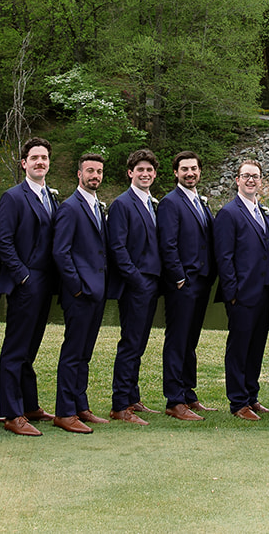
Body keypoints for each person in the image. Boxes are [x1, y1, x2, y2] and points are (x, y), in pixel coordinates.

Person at [0, 137, 59, 436]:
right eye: (34, 158)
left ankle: (30, 405)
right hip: (26, 282)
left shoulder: (51, 196)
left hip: (46, 283)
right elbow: (4, 242)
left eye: (44, 158)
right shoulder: (13, 197)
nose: (40, 162)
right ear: (24, 163)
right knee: (15, 349)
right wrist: (22, 276)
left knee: (30, 348)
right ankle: (12, 413)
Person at [213, 160, 269, 420]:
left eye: (255, 176)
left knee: (256, 348)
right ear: (237, 180)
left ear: (261, 181)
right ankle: (238, 402)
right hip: (241, 294)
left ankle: (252, 396)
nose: (251, 180)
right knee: (239, 348)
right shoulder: (229, 213)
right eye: (246, 176)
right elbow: (224, 257)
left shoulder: (261, 212)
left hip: (263, 292)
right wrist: (231, 293)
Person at [51, 153, 110, 433]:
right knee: (72, 352)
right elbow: (61, 252)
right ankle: (64, 411)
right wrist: (76, 288)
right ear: (79, 174)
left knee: (85, 353)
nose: (94, 176)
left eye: (98, 172)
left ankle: (80, 405)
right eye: (90, 171)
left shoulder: (98, 206)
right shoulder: (70, 207)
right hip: (80, 294)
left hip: (97, 292)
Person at [106, 148, 161, 424]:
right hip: (134, 285)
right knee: (129, 343)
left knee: (139, 343)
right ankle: (120, 405)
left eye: (149, 170)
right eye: (140, 170)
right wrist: (137, 280)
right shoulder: (122, 204)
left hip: (152, 283)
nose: (145, 174)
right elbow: (117, 248)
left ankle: (132, 396)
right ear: (130, 173)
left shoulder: (153, 203)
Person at [158, 150, 215, 420]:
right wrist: (179, 277)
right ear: (175, 173)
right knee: (177, 340)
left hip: (201, 282)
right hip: (183, 284)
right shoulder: (171, 202)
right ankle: (174, 400)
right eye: (184, 169)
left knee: (190, 341)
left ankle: (188, 394)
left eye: (194, 168)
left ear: (200, 171)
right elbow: (168, 244)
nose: (190, 173)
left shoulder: (200, 203)